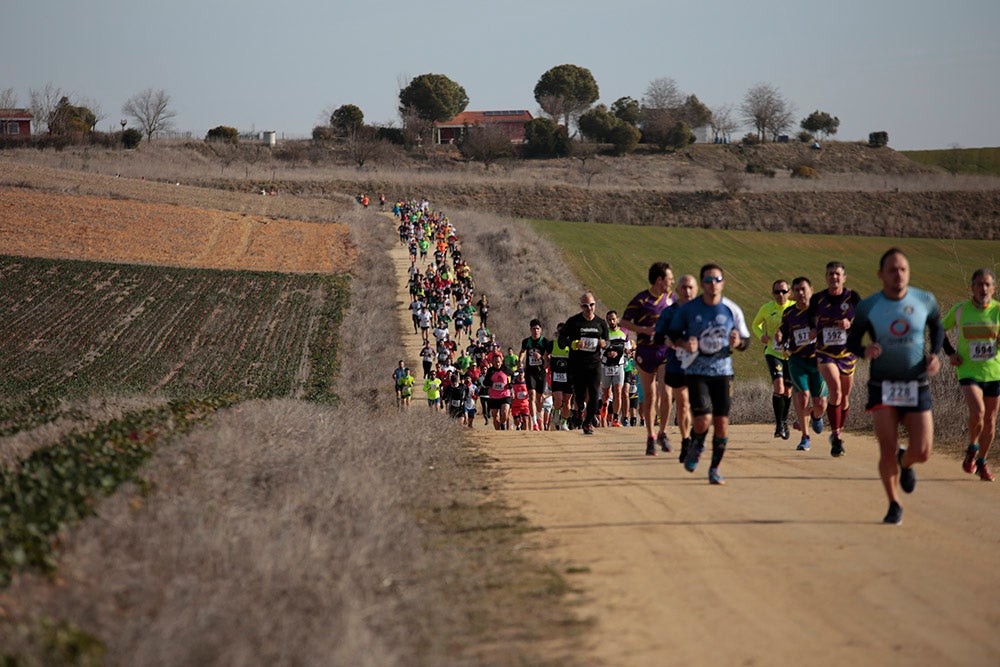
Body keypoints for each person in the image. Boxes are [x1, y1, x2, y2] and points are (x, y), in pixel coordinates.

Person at [847, 248, 943, 525]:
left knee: (923, 451)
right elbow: (852, 340)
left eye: (903, 269)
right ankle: (893, 504)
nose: (898, 274)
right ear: (880, 275)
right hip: (883, 385)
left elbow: (937, 327)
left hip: (916, 384)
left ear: (908, 271)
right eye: (892, 270)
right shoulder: (869, 306)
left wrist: (934, 354)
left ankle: (906, 462)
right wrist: (864, 350)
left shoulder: (925, 300)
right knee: (886, 448)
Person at [667, 264, 751, 485]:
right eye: (708, 280)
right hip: (696, 371)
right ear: (702, 283)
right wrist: (685, 343)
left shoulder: (732, 309)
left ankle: (714, 468)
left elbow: (746, 340)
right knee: (703, 420)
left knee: (722, 422)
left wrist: (739, 342)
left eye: (717, 280)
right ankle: (698, 443)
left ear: (723, 282)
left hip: (723, 372)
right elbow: (673, 333)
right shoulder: (689, 309)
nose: (712, 284)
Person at [942, 268, 1000, 482]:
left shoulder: (998, 311)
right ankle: (972, 446)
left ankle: (981, 462)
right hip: (968, 370)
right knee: (978, 412)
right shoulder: (960, 310)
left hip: (994, 372)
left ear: (994, 288)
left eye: (987, 284)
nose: (983, 288)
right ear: (972, 288)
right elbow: (939, 330)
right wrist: (950, 353)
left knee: (991, 421)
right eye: (979, 284)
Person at [621, 262, 675, 455]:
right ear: (659, 280)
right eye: (670, 278)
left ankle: (663, 432)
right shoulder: (641, 300)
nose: (672, 282)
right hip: (645, 353)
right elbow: (624, 321)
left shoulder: (671, 299)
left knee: (667, 393)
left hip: (665, 351)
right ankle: (651, 436)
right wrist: (642, 329)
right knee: (650, 396)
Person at [808, 261, 861, 457]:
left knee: (845, 398)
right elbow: (809, 318)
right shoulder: (818, 299)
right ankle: (836, 436)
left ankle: (838, 431)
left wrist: (850, 324)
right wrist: (813, 329)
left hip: (847, 353)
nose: (834, 277)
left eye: (838, 274)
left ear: (844, 277)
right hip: (825, 352)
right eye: (830, 274)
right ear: (826, 277)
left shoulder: (852, 297)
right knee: (836, 391)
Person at [778, 277, 829, 452]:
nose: (801, 293)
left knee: (820, 403)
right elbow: (784, 332)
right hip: (797, 360)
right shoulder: (789, 313)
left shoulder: (821, 311)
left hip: (819, 361)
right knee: (803, 396)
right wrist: (779, 335)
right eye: (797, 290)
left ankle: (815, 416)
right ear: (793, 293)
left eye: (803, 289)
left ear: (811, 290)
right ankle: (805, 437)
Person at [654, 274, 697, 462]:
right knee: (683, 402)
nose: (687, 291)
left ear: (696, 290)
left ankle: (694, 435)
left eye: (690, 287)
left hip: (700, 364)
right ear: (677, 290)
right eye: (683, 287)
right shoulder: (669, 312)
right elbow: (657, 335)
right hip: (677, 363)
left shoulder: (703, 311)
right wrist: (668, 340)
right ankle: (686, 440)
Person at [559, 292, 610, 435]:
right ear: (581, 306)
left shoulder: (600, 323)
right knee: (580, 395)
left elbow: (608, 340)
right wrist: (573, 344)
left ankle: (587, 423)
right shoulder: (574, 321)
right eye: (585, 306)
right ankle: (579, 410)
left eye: (592, 305)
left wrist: (604, 343)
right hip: (577, 364)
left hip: (594, 364)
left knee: (594, 394)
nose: (589, 308)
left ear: (595, 305)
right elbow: (561, 340)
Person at [752, 279, 795, 439]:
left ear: (789, 293)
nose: (780, 295)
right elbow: (755, 324)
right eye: (777, 292)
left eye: (783, 291)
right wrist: (761, 335)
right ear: (772, 294)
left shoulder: (793, 308)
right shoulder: (767, 308)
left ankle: (784, 421)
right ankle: (778, 425)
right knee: (779, 387)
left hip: (790, 355)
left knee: (788, 390)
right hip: (772, 352)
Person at [520, 318, 552, 431]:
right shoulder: (526, 341)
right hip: (530, 372)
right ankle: (534, 423)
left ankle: (539, 417)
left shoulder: (545, 342)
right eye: (533, 329)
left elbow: (548, 358)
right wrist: (520, 361)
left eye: (537, 329)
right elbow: (522, 351)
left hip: (541, 372)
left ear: (541, 330)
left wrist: (542, 357)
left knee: (539, 398)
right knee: (532, 396)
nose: (535, 331)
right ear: (530, 329)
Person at [601, 310, 629, 427]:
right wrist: (607, 354)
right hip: (606, 366)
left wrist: (626, 352)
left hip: (619, 366)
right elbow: (599, 349)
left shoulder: (624, 332)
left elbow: (627, 349)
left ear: (617, 319)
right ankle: (604, 404)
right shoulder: (604, 333)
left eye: (613, 319)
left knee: (618, 391)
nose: (611, 322)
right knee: (607, 393)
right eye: (609, 320)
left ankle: (616, 419)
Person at [549, 323, 574, 430]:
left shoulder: (571, 346)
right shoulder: (552, 344)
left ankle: (564, 422)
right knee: (558, 400)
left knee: (567, 402)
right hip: (556, 376)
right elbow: (545, 353)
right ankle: (556, 411)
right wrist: (546, 363)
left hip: (569, 377)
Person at [486, 354, 512, 430]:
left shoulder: (506, 369)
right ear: (493, 362)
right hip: (494, 396)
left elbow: (514, 376)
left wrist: (510, 384)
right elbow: (485, 382)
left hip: (505, 395)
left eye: (498, 362)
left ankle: (503, 423)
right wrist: (490, 383)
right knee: (495, 416)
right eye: (495, 362)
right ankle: (498, 432)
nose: (497, 364)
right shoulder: (490, 370)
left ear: (501, 362)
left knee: (504, 413)